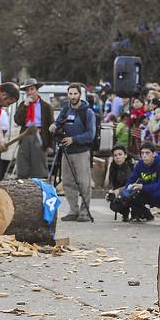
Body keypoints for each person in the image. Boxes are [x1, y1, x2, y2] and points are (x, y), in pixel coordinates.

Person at [49, 83, 96, 222]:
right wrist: (54, 125)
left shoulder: (88, 112)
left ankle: (84, 212)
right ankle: (73, 210)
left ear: (80, 94)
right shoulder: (66, 109)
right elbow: (58, 122)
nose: (73, 96)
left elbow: (90, 134)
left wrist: (74, 139)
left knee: (84, 183)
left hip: (81, 152)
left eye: (75, 94)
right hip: (66, 151)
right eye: (70, 94)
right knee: (68, 182)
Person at [14, 79, 54, 179]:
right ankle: (23, 186)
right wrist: (25, 106)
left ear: (37, 90)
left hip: (39, 136)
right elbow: (18, 121)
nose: (30, 92)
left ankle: (40, 187)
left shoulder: (46, 106)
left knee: (39, 166)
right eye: (27, 90)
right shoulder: (23, 105)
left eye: (32, 89)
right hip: (25, 135)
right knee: (23, 164)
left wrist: (50, 145)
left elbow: (51, 126)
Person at [126, 141, 160, 221]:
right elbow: (132, 178)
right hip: (145, 192)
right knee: (131, 197)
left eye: (147, 153)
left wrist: (143, 187)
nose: (144, 156)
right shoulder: (140, 164)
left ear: (154, 154)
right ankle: (145, 214)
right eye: (142, 153)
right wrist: (130, 186)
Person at [106, 145, 135, 221]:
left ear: (125, 155)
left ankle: (140, 213)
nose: (117, 157)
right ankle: (125, 214)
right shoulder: (113, 167)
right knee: (114, 205)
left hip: (133, 190)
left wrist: (119, 190)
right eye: (115, 155)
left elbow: (132, 183)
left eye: (120, 154)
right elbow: (111, 182)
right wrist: (110, 192)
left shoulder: (131, 164)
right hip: (120, 194)